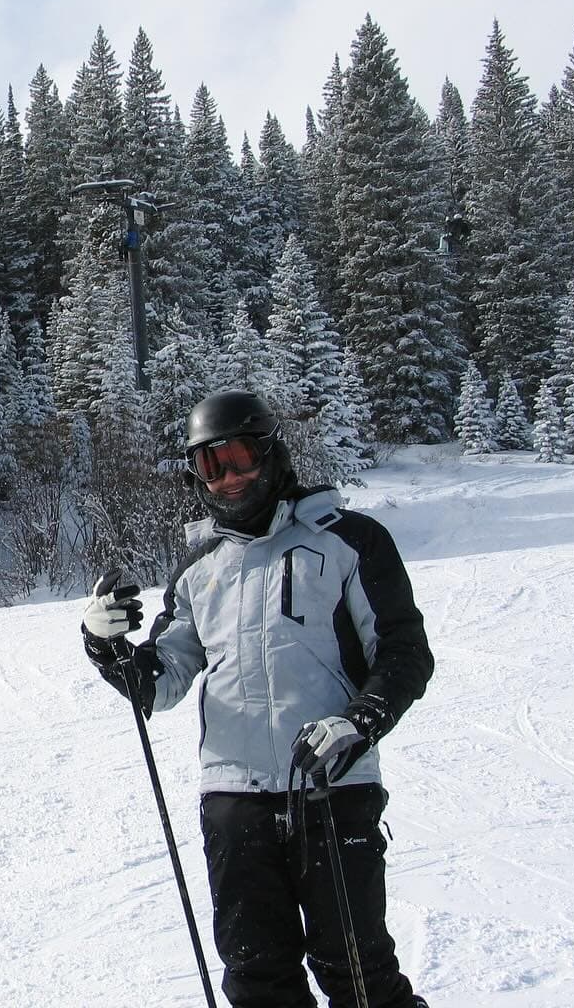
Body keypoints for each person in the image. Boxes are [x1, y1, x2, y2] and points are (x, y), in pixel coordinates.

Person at [81, 389, 434, 1008]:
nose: (228, 479)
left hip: (332, 786)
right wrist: (105, 644)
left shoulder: (350, 539)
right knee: (256, 979)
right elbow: (162, 682)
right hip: (233, 799)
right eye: (209, 466)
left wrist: (358, 723)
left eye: (239, 458)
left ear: (272, 455)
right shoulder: (200, 570)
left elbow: (403, 653)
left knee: (358, 972)